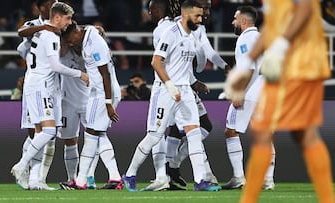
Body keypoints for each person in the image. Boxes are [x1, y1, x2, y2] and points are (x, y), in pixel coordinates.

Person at [224, 0, 334, 202]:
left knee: (304, 134)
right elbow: (272, 25)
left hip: (304, 63)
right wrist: (249, 60)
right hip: (281, 69)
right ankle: (250, 196)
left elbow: (305, 7)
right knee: (264, 131)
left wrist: (281, 46)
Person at [122, 0, 219, 192]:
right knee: (154, 136)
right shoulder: (170, 33)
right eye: (197, 16)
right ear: (185, 15)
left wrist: (193, 83)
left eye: (201, 16)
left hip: (185, 93)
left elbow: (183, 67)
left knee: (193, 135)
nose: (201, 19)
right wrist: (169, 85)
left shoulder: (191, 37)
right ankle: (130, 174)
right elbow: (156, 62)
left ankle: (201, 181)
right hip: (165, 91)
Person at [11, 1, 89, 190]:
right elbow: (55, 66)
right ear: (57, 17)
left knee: (41, 133)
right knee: (48, 132)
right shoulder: (50, 34)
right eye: (68, 18)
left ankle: (36, 179)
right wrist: (80, 74)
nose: (70, 23)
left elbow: (24, 50)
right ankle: (21, 165)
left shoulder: (43, 33)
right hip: (41, 86)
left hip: (43, 85)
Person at [60, 22, 123, 190]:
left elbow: (105, 74)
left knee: (90, 134)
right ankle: (115, 178)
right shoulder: (88, 34)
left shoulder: (94, 43)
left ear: (75, 32)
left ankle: (80, 181)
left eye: (69, 40)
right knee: (99, 134)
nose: (71, 44)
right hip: (99, 92)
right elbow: (89, 28)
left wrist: (108, 103)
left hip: (102, 94)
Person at [222, 5, 275, 191]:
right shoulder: (259, 37)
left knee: (231, 130)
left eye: (235, 19)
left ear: (244, 21)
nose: (232, 22)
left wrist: (239, 92)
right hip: (266, 88)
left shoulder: (246, 38)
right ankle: (268, 180)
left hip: (253, 91)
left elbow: (249, 68)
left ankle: (238, 177)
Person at [15, 0, 59, 190]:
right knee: (35, 131)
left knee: (47, 134)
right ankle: (27, 172)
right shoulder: (34, 25)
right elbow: (21, 32)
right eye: (47, 3)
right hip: (36, 83)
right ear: (38, 7)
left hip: (54, 85)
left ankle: (34, 178)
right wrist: (44, 26)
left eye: (54, 3)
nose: (50, 6)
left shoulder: (58, 26)